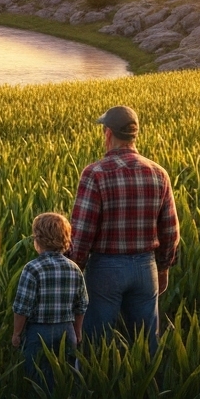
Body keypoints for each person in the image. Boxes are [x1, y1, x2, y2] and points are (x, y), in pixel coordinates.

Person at [68, 105, 179, 350]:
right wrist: (163, 269)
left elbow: (82, 233)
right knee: (147, 345)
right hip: (145, 267)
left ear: (108, 134)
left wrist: (74, 272)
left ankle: (95, 386)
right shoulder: (159, 173)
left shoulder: (94, 173)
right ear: (134, 134)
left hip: (106, 268)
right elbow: (170, 230)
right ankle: (149, 386)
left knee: (95, 345)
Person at [12, 213, 88, 391]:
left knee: (37, 379)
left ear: (37, 240)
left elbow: (22, 307)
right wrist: (77, 332)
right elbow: (81, 305)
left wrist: (16, 333)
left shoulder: (32, 268)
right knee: (65, 377)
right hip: (66, 330)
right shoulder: (74, 268)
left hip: (38, 332)